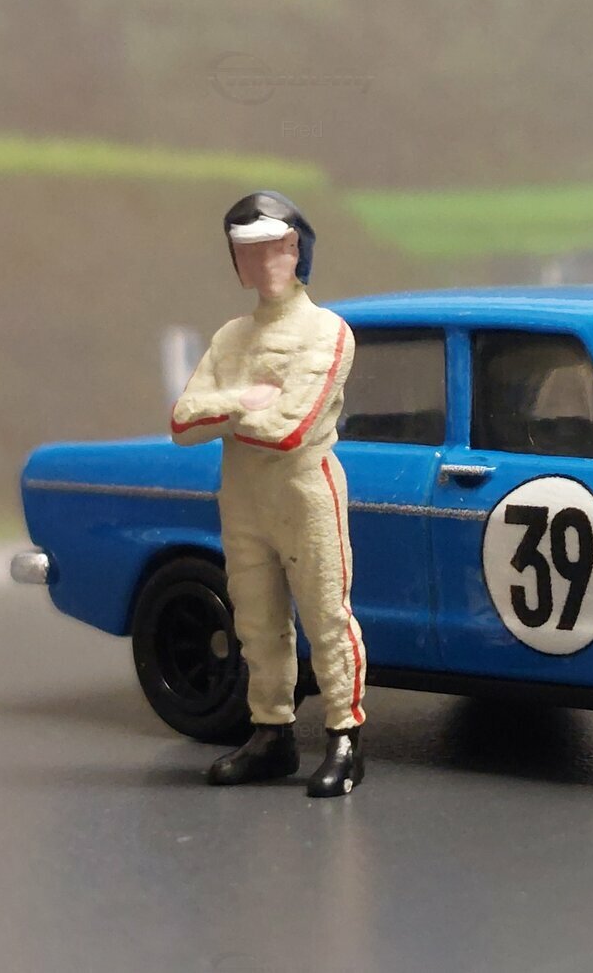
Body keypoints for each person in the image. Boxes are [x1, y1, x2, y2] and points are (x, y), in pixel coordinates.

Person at [170, 190, 366, 797]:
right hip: (243, 496)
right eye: (247, 253)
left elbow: (290, 428)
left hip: (304, 489)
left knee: (326, 617)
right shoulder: (231, 336)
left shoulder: (327, 331)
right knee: (255, 620)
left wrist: (223, 412)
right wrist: (244, 399)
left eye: (274, 249)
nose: (262, 264)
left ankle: (344, 736)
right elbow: (182, 422)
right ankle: (271, 730)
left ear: (297, 249)